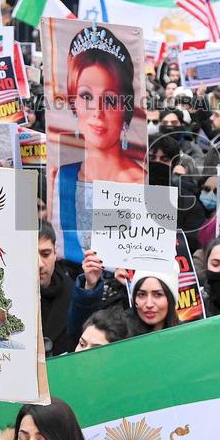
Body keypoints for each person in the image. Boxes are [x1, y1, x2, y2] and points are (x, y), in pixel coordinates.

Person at [52, 25, 144, 262]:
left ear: (125, 108)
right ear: (74, 103)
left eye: (110, 99)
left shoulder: (139, 181)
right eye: (86, 96)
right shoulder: (63, 176)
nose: (97, 112)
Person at [37, 221, 75, 356]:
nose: (40, 264)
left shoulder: (74, 294)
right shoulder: (5, 294)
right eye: (31, 255)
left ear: (55, 252)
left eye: (45, 254)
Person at [126, 271, 180, 337]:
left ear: (171, 299)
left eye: (158, 294)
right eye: (142, 294)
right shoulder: (118, 338)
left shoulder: (187, 335)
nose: (149, 304)